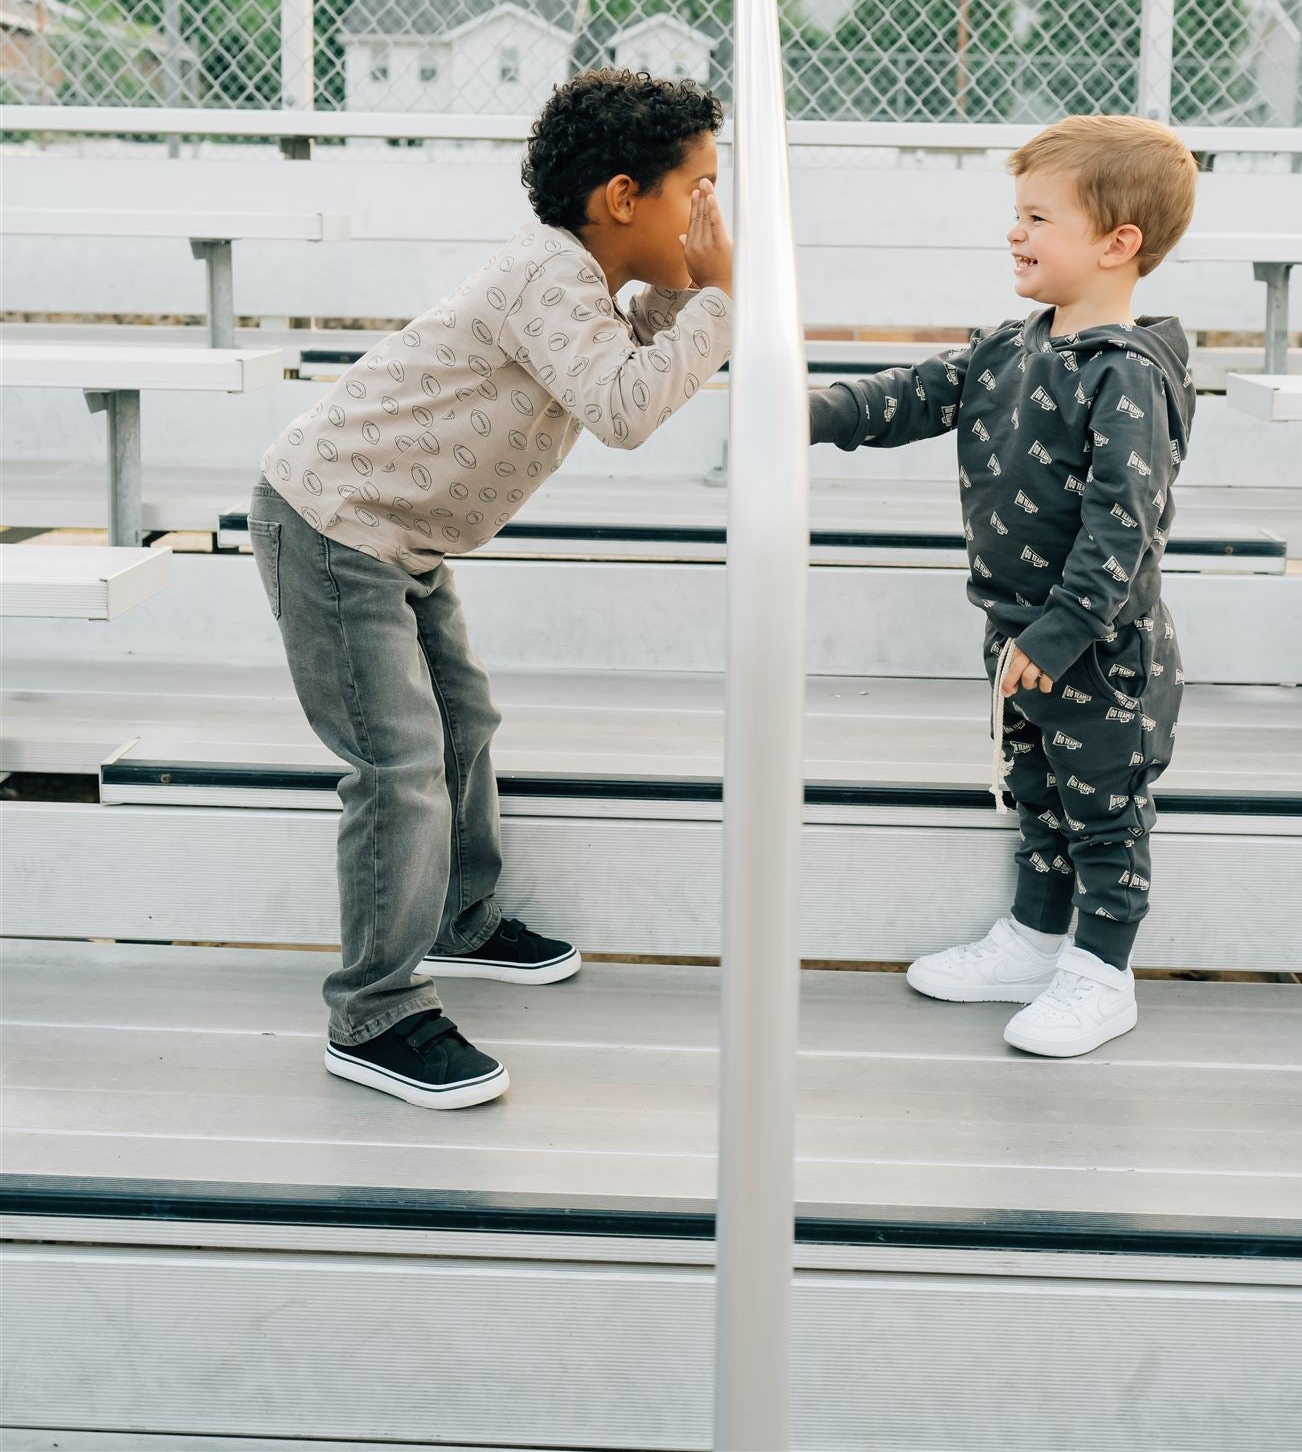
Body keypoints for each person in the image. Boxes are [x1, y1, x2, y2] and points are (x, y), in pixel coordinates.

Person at [250, 69, 733, 1108]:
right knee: (400, 764)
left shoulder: (582, 280)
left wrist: (695, 293)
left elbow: (639, 344)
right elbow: (624, 404)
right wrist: (722, 300)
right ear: (621, 198)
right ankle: (373, 1010)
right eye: (698, 186)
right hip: (334, 525)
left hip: (396, 537)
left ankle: (461, 915)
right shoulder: (550, 277)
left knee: (464, 717)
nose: (710, 209)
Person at [810, 114, 1199, 1057]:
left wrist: (1060, 634)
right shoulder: (1007, 347)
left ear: (1117, 244)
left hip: (1098, 650)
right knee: (1034, 797)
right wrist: (800, 410)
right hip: (1016, 637)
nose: (1013, 233)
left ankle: (1101, 973)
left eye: (1036, 218)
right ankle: (1031, 942)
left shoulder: (1127, 378)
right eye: (1015, 214)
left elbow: (1123, 526)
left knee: (1102, 814)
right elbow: (899, 398)